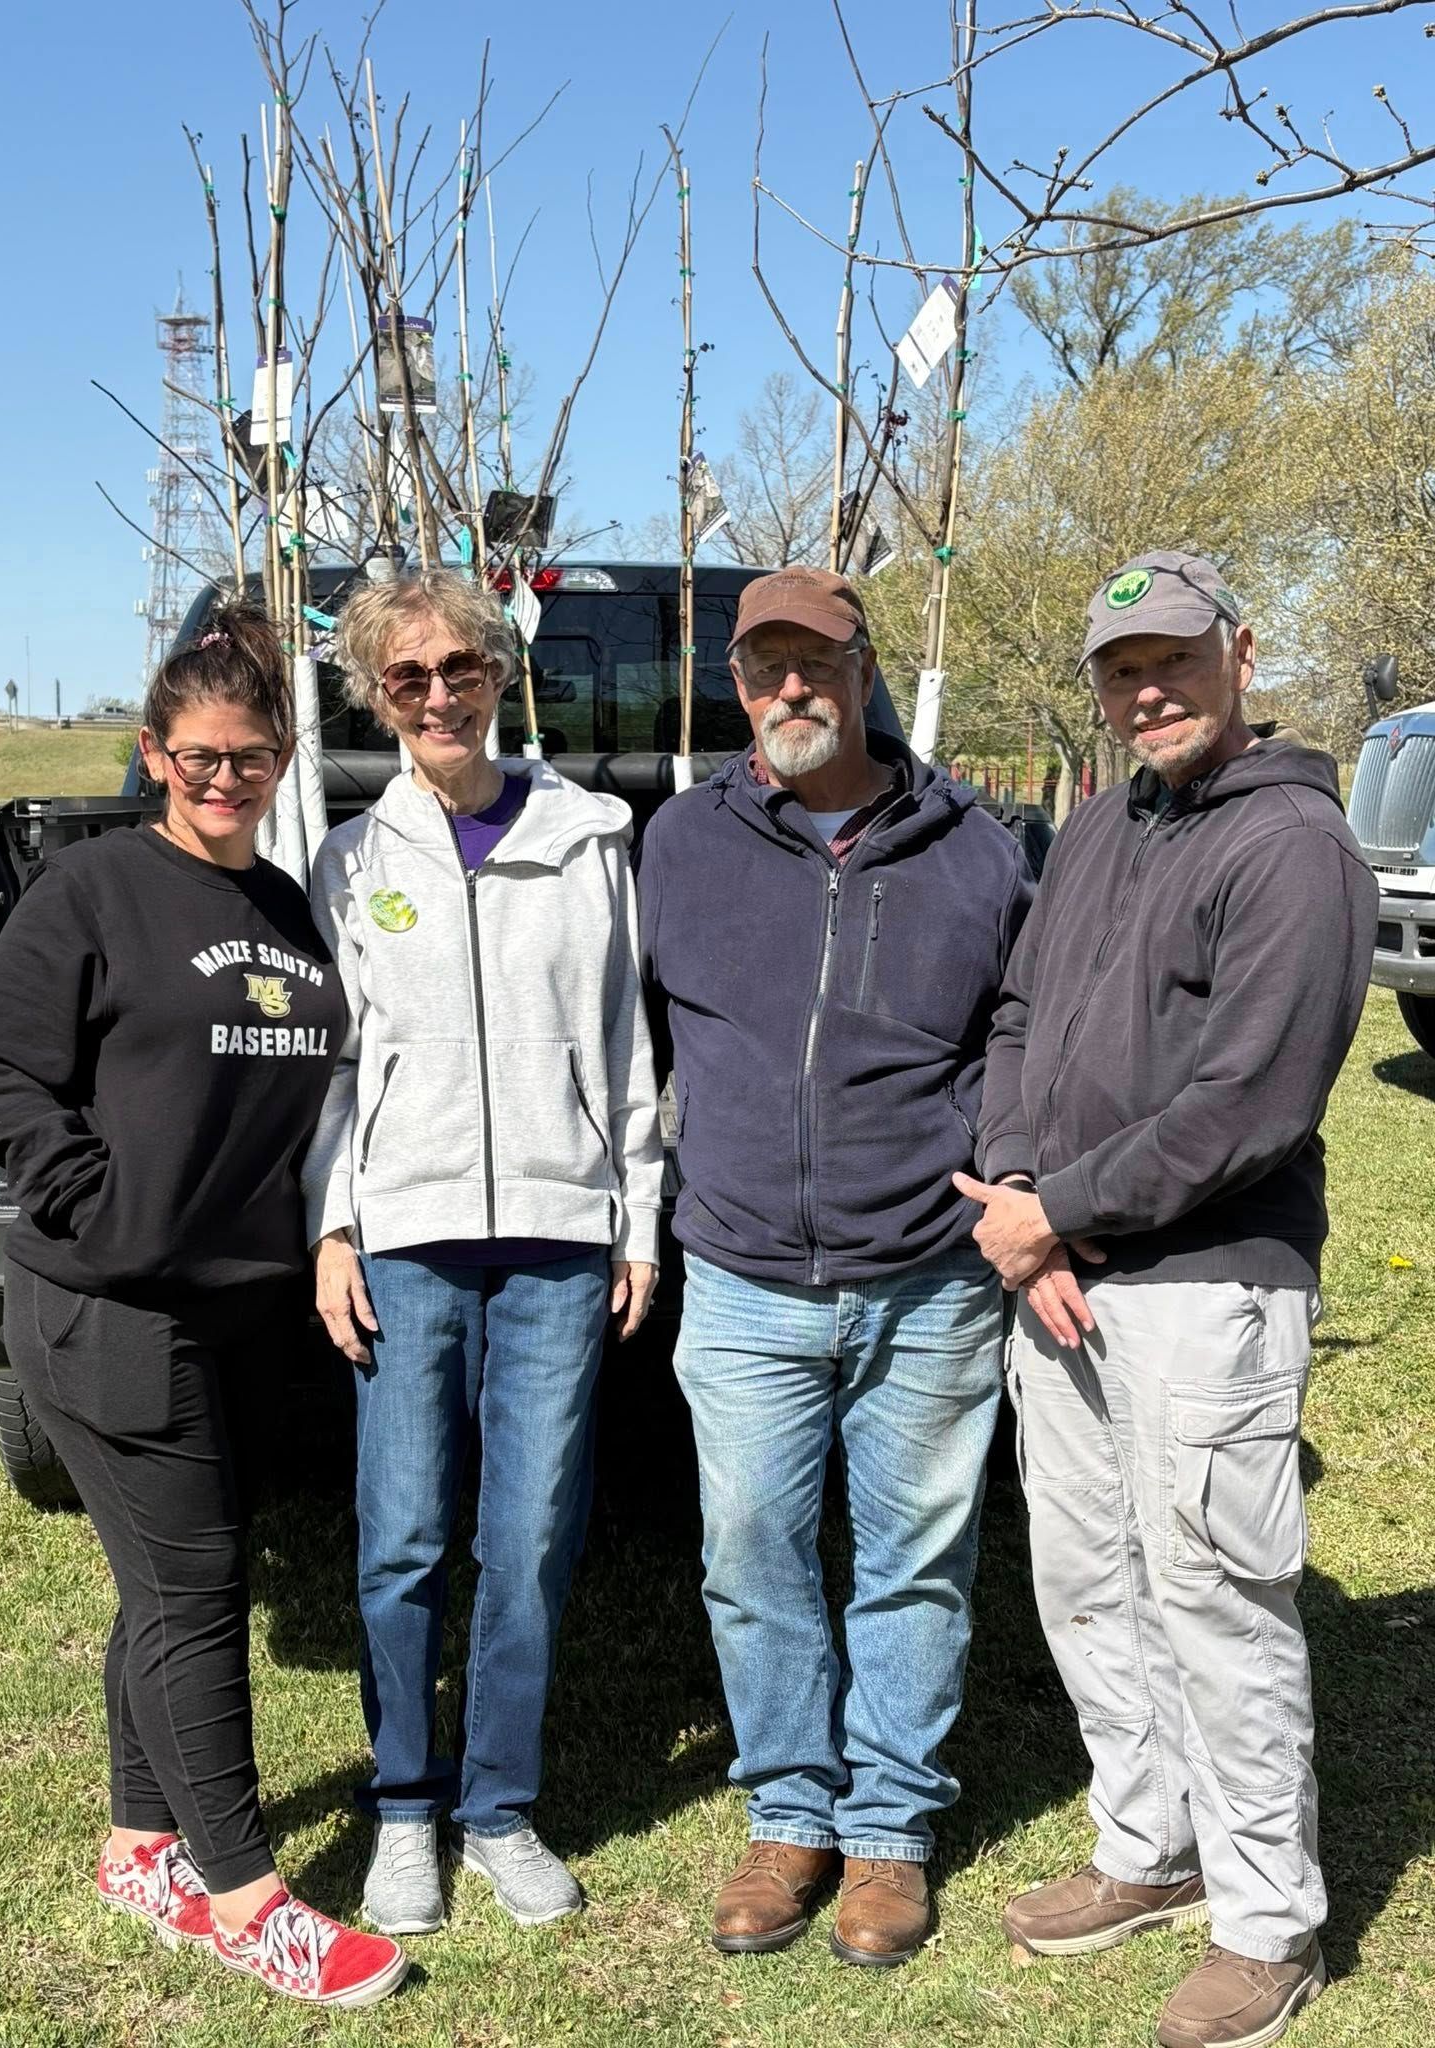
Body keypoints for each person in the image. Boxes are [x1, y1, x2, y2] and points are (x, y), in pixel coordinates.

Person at [0, 607, 409, 2008]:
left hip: (239, 1312)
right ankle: (245, 1896)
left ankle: (139, 1843)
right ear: (154, 753)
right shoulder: (90, 895)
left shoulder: (281, 908)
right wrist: (101, 1207)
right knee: (196, 1595)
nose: (228, 780)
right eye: (204, 756)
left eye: (254, 758)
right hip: (109, 1310)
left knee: (159, 1586)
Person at [960, 552, 1377, 2048]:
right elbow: (1016, 1018)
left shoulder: (1293, 851)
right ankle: (1150, 1845)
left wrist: (1053, 1213)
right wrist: (1021, 1196)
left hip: (1206, 1283)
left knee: (1213, 1595)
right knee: (1088, 1581)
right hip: (1059, 1275)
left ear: (1241, 655)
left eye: (1174, 660)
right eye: (1122, 669)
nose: (1148, 690)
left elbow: (1247, 1105)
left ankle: (1268, 1922)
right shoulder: (1095, 826)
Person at [635, 566, 1034, 1967]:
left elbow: (1018, 1036)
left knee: (916, 1564)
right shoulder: (678, 846)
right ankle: (791, 1815)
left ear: (863, 671)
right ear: (736, 688)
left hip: (926, 1280)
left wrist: (1012, 1174)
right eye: (763, 669)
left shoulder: (977, 851)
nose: (789, 689)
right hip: (743, 1276)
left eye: (815, 663)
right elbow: (635, 1042)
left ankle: (892, 1835)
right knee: (751, 1558)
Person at [305, 569, 662, 1936]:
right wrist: (332, 1222)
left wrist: (639, 1212)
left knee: (526, 1542)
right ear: (376, 696)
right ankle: (406, 1807)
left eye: (462, 667)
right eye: (409, 677)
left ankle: (497, 1805)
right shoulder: (352, 860)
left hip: (565, 1242)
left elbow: (631, 1044)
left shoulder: (592, 841)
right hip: (405, 1238)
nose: (440, 694)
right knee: (402, 1537)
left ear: (503, 676)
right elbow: (334, 1073)